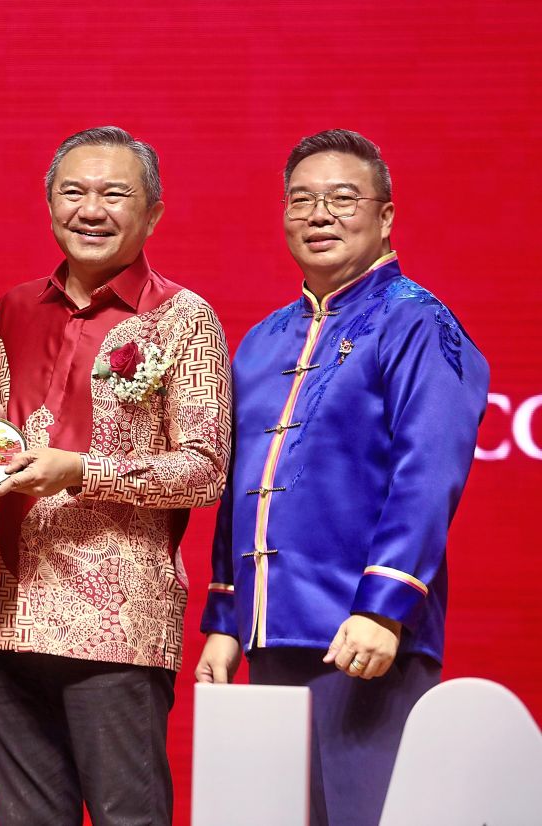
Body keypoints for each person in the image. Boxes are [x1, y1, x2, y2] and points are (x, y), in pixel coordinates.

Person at [196, 129, 490, 826]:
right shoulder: (265, 338)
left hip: (364, 639)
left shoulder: (419, 323)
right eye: (302, 201)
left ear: (386, 217)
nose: (319, 215)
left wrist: (383, 609)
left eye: (342, 200)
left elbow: (429, 472)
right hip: (271, 638)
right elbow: (241, 487)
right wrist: (227, 619)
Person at [0, 126, 232, 825]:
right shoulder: (13, 308)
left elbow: (204, 471)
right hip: (8, 614)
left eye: (114, 193)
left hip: (119, 624)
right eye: (72, 192)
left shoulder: (184, 318)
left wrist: (82, 469)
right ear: (49, 203)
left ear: (154, 212)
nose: (90, 209)